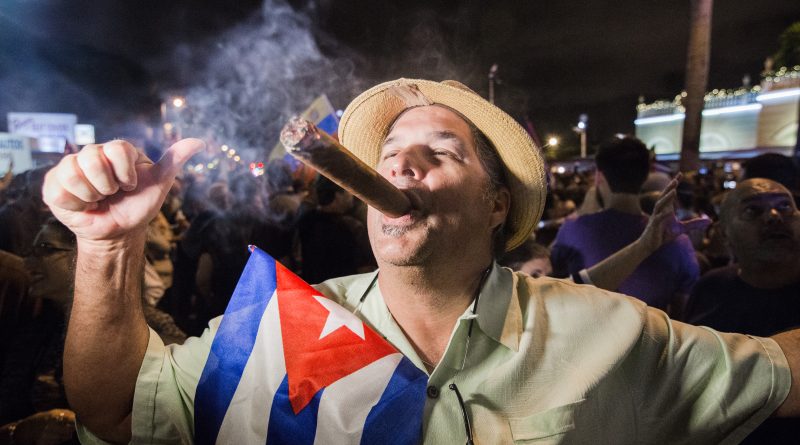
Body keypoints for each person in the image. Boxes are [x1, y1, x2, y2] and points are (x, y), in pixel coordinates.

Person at [43, 79, 800, 444]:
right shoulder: (278, 326)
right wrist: (108, 245)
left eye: (437, 155)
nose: (400, 171)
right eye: (389, 157)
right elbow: (116, 410)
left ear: (497, 204)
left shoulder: (609, 330)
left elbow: (780, 369)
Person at [683, 178, 800, 444]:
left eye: (785, 207)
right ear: (724, 234)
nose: (773, 217)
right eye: (753, 211)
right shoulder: (709, 288)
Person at [550, 136, 699, 315]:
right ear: (645, 176)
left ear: (599, 176)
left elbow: (553, 290)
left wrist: (581, 214)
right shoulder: (677, 241)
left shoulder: (572, 231)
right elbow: (682, 314)